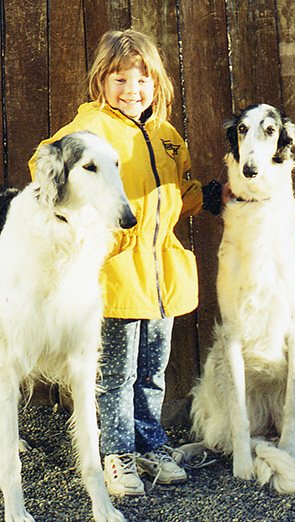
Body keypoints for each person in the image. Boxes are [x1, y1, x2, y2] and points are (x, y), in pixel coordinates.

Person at [29, 29, 222, 497]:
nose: (131, 90)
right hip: (113, 274)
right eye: (120, 79)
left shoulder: (167, 135)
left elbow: (179, 192)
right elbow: (44, 160)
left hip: (160, 276)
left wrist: (213, 196)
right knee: (114, 375)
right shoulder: (90, 130)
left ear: (156, 83)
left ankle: (150, 445)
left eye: (142, 80)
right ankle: (114, 455)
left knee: (153, 372)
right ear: (100, 82)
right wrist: (70, 211)